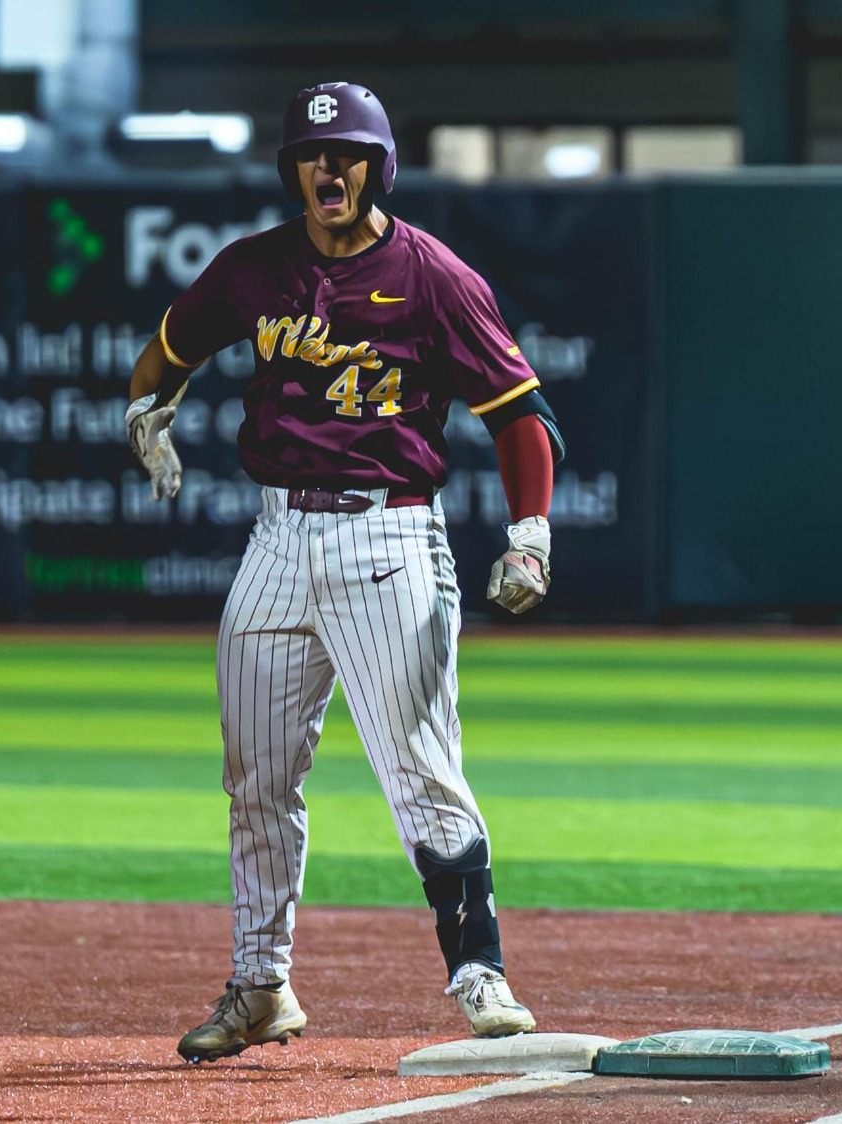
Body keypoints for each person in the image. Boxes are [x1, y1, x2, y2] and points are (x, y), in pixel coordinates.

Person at [123, 81, 566, 1064]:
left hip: (388, 541)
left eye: (348, 154)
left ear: (379, 165)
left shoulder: (432, 276)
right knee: (254, 780)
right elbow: (165, 350)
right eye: (312, 156)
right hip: (276, 542)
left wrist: (527, 533)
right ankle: (259, 983)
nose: (328, 169)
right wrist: (142, 416)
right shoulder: (252, 269)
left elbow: (519, 415)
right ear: (292, 168)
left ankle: (478, 969)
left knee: (417, 769)